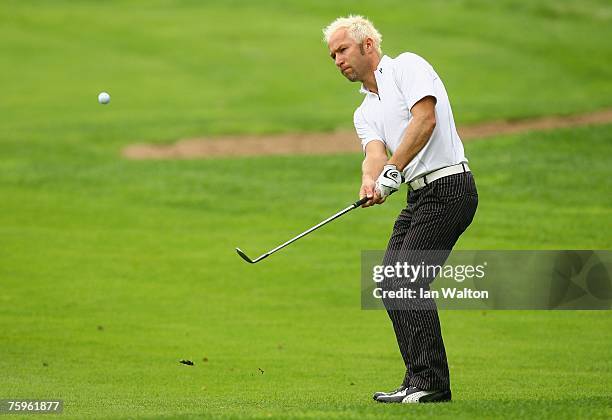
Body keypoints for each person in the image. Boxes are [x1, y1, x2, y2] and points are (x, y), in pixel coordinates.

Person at [323, 15, 478, 404]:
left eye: (342, 50)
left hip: (449, 187)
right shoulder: (364, 111)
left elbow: (424, 120)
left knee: (406, 280)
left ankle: (433, 384)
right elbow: (374, 154)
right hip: (419, 198)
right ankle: (415, 380)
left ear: (368, 45)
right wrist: (370, 181)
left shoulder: (407, 66)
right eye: (332, 55)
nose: (337, 60)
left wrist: (394, 169)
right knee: (390, 282)